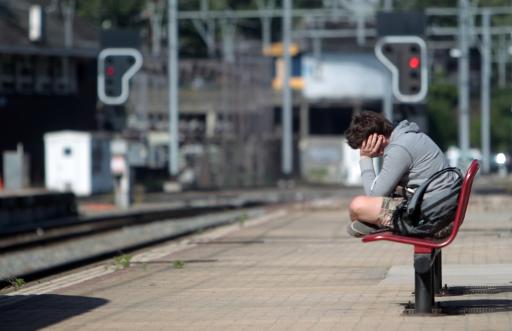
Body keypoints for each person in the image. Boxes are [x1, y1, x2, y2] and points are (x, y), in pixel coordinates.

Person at [344, 111, 459, 237]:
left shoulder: (399, 149)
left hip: (433, 218)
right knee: (362, 212)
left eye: (365, 147)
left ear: (378, 139)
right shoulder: (408, 136)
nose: (377, 154)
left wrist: (365, 158)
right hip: (441, 209)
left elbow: (373, 195)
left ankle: (380, 224)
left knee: (357, 206)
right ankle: (377, 223)